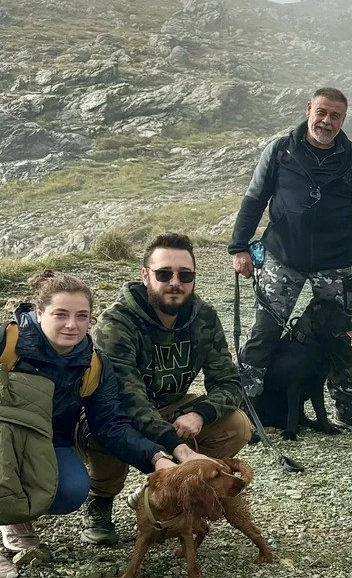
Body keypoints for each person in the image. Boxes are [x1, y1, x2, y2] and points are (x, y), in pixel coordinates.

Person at [0, 269, 193, 578]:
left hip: (46, 441)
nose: (71, 324)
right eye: (60, 314)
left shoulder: (94, 364)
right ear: (39, 312)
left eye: (81, 316)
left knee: (71, 490)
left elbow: (110, 426)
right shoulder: (0, 342)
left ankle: (11, 516)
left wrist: (157, 457)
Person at [84, 233, 255, 546]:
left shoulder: (203, 317)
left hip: (170, 408)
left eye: (185, 275)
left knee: (237, 425)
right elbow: (128, 397)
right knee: (102, 431)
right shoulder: (117, 323)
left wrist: (200, 413)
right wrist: (177, 447)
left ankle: (168, 492)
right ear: (145, 275)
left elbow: (229, 381)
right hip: (119, 413)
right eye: (164, 274)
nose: (175, 282)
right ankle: (101, 499)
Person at [230, 85, 352, 436]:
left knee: (339, 337)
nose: (327, 121)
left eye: (336, 116)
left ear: (343, 120)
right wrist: (239, 247)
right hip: (282, 257)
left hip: (335, 262)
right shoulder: (280, 149)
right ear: (308, 109)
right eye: (322, 112)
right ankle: (242, 408)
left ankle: (348, 409)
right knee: (265, 332)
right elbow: (254, 199)